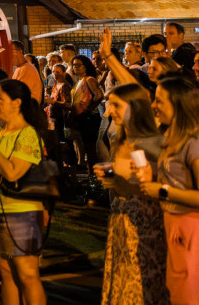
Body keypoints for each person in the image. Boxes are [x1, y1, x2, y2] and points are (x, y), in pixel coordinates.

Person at [0, 79, 47, 305]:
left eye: (0, 98)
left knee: (27, 275)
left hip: (21, 214)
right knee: (6, 272)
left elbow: (12, 173)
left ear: (16, 103)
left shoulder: (27, 134)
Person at [93, 83, 168, 304]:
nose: (110, 110)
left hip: (145, 223)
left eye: (116, 105)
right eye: (109, 105)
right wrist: (111, 176)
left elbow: (163, 180)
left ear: (134, 107)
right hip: (122, 218)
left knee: (141, 284)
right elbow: (128, 180)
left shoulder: (152, 143)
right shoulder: (123, 141)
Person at [138, 75, 199, 304]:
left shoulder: (194, 142)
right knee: (175, 291)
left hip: (191, 229)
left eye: (159, 101)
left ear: (179, 104)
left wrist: (162, 191)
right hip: (173, 224)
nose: (154, 105)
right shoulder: (173, 136)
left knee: (188, 294)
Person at [69, 55, 103, 174]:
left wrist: (89, 109)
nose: (76, 67)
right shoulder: (80, 80)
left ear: (86, 66)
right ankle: (91, 175)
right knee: (85, 148)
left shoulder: (89, 79)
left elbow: (99, 95)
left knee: (90, 149)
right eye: (74, 65)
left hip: (89, 119)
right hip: (81, 118)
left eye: (79, 65)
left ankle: (93, 176)